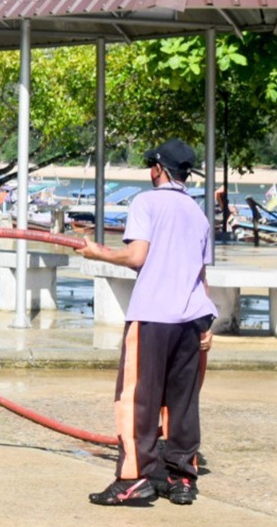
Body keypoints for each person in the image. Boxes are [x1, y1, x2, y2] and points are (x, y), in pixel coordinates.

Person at [78, 138, 217, 507]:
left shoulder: (146, 202)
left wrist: (98, 252)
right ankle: (182, 476)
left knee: (137, 400)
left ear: (158, 169)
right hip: (192, 319)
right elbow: (200, 274)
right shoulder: (199, 213)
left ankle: (134, 478)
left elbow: (138, 256)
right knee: (182, 403)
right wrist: (207, 323)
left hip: (153, 317)